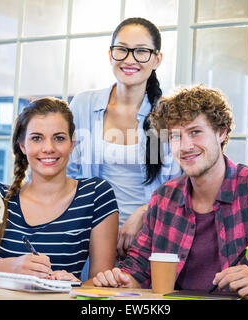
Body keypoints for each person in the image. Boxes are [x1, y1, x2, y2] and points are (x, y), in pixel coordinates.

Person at [92, 85, 248, 299]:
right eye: (175, 136)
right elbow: (136, 271)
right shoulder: (163, 199)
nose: (185, 146)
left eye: (195, 132)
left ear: (221, 132)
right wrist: (121, 280)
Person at [0, 97, 119, 282]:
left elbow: (102, 285)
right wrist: (11, 267)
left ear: (72, 144)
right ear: (22, 145)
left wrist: (75, 286)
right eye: (37, 138)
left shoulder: (96, 195)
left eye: (59, 138)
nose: (48, 148)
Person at [68, 17, 181, 257]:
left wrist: (144, 212)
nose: (130, 59)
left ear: (157, 59)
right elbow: (65, 172)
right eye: (122, 50)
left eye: (141, 52)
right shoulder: (83, 104)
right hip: (88, 240)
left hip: (150, 242)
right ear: (110, 55)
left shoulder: (169, 115)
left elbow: (180, 187)